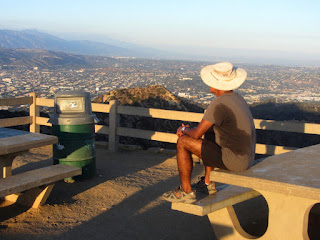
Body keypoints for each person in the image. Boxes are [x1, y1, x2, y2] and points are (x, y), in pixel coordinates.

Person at [162, 62, 256, 203]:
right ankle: (207, 183)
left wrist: (183, 130)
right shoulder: (237, 98)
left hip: (234, 161)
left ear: (216, 84)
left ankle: (185, 192)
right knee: (211, 132)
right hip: (246, 158)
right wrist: (189, 130)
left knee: (182, 142)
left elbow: (196, 134)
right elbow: (204, 130)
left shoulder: (219, 103)